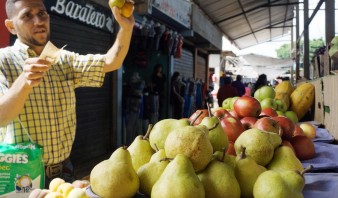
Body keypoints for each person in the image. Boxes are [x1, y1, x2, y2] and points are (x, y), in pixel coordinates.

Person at [0, 0, 135, 187]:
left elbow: (112, 61)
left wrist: (126, 29)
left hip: (65, 171)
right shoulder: (3, 60)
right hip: (20, 174)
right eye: (27, 15)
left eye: (42, 13)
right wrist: (24, 81)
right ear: (11, 26)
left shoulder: (63, 60)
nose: (38, 20)